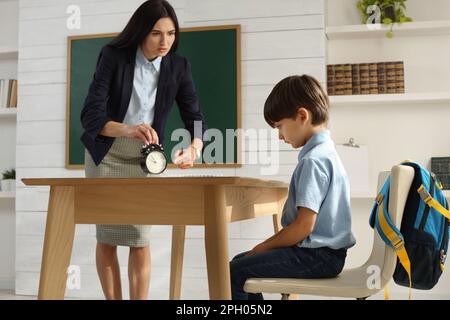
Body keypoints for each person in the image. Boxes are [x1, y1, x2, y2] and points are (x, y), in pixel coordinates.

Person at [80, 0, 207, 300]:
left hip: (145, 157)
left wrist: (195, 147)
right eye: (156, 33)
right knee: (107, 237)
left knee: (140, 238)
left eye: (171, 33)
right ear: (140, 32)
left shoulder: (178, 66)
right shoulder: (113, 56)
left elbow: (196, 117)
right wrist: (128, 128)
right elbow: (90, 117)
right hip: (106, 154)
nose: (165, 42)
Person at [230, 75, 356, 300]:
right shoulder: (326, 153)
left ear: (302, 116)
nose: (279, 136)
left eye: (279, 126)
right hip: (327, 255)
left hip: (317, 257)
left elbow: (303, 227)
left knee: (236, 271)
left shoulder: (313, 161)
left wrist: (263, 247)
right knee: (241, 263)